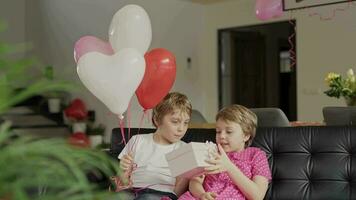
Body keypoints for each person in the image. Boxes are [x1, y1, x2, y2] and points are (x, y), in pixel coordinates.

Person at [179, 104, 271, 200]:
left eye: (229, 131)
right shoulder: (210, 151)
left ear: (246, 136)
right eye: (218, 131)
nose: (222, 136)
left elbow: (257, 196)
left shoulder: (257, 155)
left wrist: (229, 167)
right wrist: (202, 195)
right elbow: (195, 181)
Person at [117, 92, 192, 200]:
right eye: (175, 122)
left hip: (162, 194)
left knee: (147, 198)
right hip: (132, 190)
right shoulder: (137, 140)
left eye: (186, 122)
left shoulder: (183, 149)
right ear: (157, 120)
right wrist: (123, 170)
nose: (181, 128)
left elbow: (179, 188)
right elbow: (121, 183)